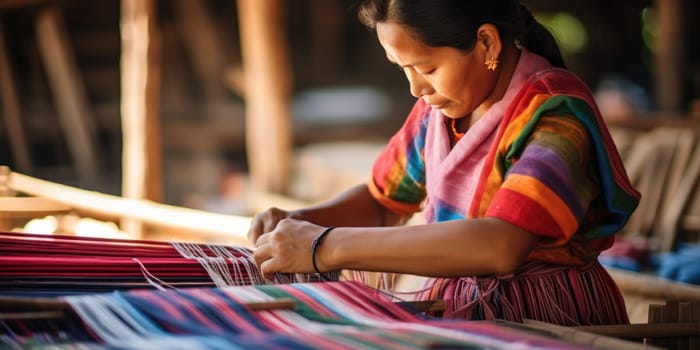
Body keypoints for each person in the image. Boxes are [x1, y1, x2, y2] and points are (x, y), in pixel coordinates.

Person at [249, 0, 640, 326]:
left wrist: (325, 246)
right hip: (462, 313)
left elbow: (501, 244)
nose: (416, 88)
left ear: (486, 43)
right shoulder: (437, 114)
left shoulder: (556, 113)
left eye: (427, 68)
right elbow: (382, 202)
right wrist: (297, 223)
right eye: (403, 68)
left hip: (549, 319)